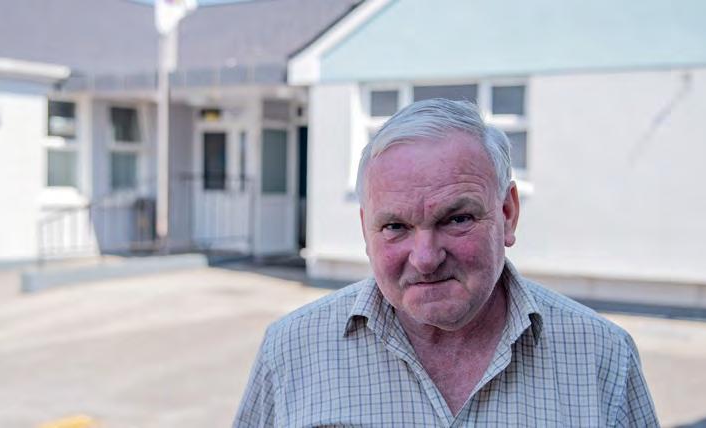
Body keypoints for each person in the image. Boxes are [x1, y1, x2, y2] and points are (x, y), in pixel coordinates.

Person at [234, 99, 658, 427]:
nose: (425, 259)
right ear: (366, 229)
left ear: (508, 213)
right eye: (395, 226)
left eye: (456, 219)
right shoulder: (292, 350)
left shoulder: (600, 355)